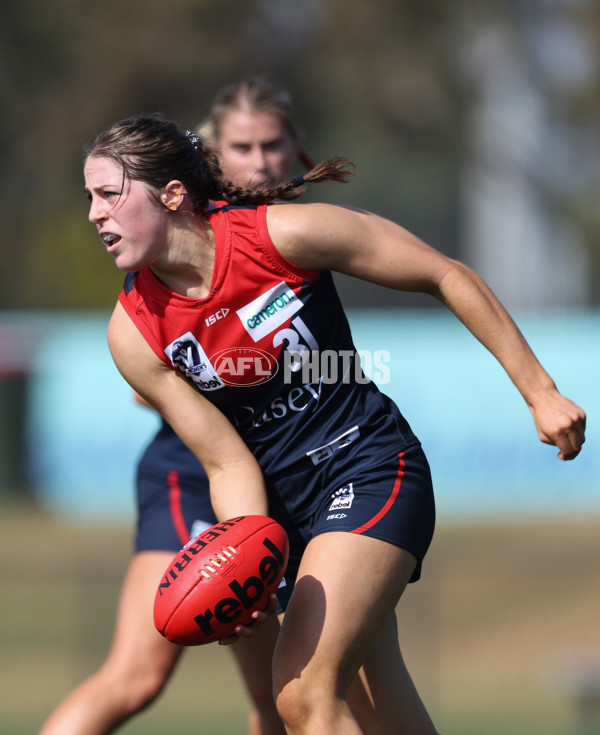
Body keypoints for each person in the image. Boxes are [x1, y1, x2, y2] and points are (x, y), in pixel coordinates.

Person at [82, 113, 586, 735]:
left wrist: (540, 392)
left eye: (109, 194)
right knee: (383, 714)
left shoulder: (282, 236)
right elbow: (225, 460)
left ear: (174, 195)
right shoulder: (132, 333)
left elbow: (444, 273)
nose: (94, 215)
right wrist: (248, 557)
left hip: (368, 467)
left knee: (301, 693)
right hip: (291, 517)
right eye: (89, 199)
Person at [40, 76, 311, 735]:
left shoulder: (287, 236)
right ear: (208, 160)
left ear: (297, 150)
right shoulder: (173, 249)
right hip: (196, 470)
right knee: (138, 674)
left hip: (285, 468)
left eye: (273, 144)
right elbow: (151, 378)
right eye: (242, 146)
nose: (261, 160)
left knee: (291, 691)